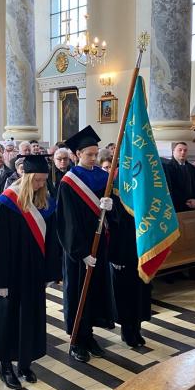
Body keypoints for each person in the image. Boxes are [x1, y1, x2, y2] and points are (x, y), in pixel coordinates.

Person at [0, 155, 59, 389]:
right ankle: (6, 366)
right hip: (10, 273)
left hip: (33, 273)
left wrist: (49, 272)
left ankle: (25, 363)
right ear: (26, 177)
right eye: (37, 180)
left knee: (30, 319)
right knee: (8, 320)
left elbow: (51, 241)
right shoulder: (8, 203)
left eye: (44, 180)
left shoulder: (45, 203)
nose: (41, 185)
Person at [56, 126, 115, 363]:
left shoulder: (102, 177)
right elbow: (67, 222)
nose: (93, 158)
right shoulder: (69, 183)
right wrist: (80, 252)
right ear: (77, 154)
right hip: (78, 251)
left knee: (95, 292)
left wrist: (111, 207)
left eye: (95, 154)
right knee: (78, 292)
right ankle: (76, 341)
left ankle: (89, 336)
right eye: (89, 154)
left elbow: (114, 213)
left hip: (99, 245)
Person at [109, 195, 151, 347]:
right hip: (121, 248)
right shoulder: (113, 191)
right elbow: (112, 224)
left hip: (140, 245)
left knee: (139, 290)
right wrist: (114, 256)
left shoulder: (138, 190)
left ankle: (136, 327)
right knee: (124, 292)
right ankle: (127, 329)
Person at [162, 142, 195, 212]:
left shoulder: (193, 168)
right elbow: (168, 190)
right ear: (173, 152)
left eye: (185, 150)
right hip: (175, 208)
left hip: (193, 207)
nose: (183, 152)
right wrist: (185, 202)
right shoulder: (166, 168)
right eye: (180, 150)